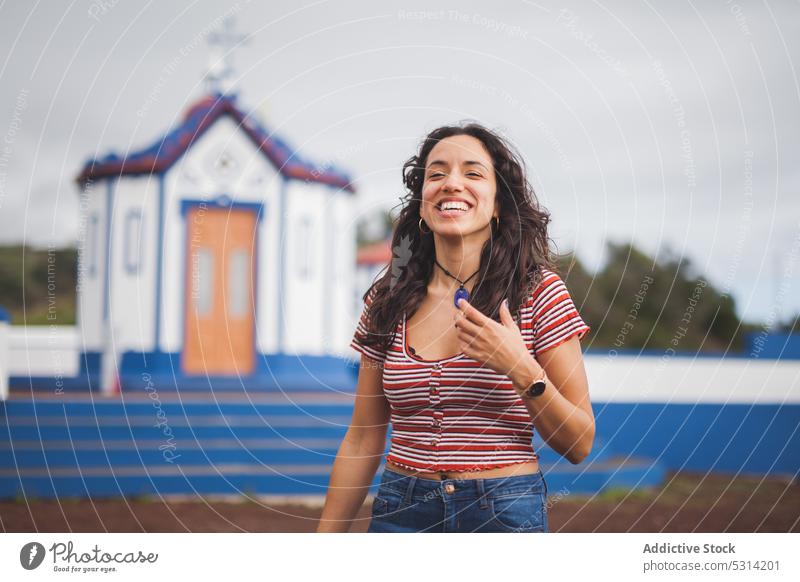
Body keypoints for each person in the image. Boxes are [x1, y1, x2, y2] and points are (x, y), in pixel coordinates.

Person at [317, 122, 593, 533]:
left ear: (498, 205)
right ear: (423, 204)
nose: (451, 183)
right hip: (401, 512)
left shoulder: (538, 293)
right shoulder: (386, 300)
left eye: (473, 172)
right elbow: (362, 438)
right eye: (437, 173)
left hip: (504, 513)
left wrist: (520, 367)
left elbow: (579, 443)